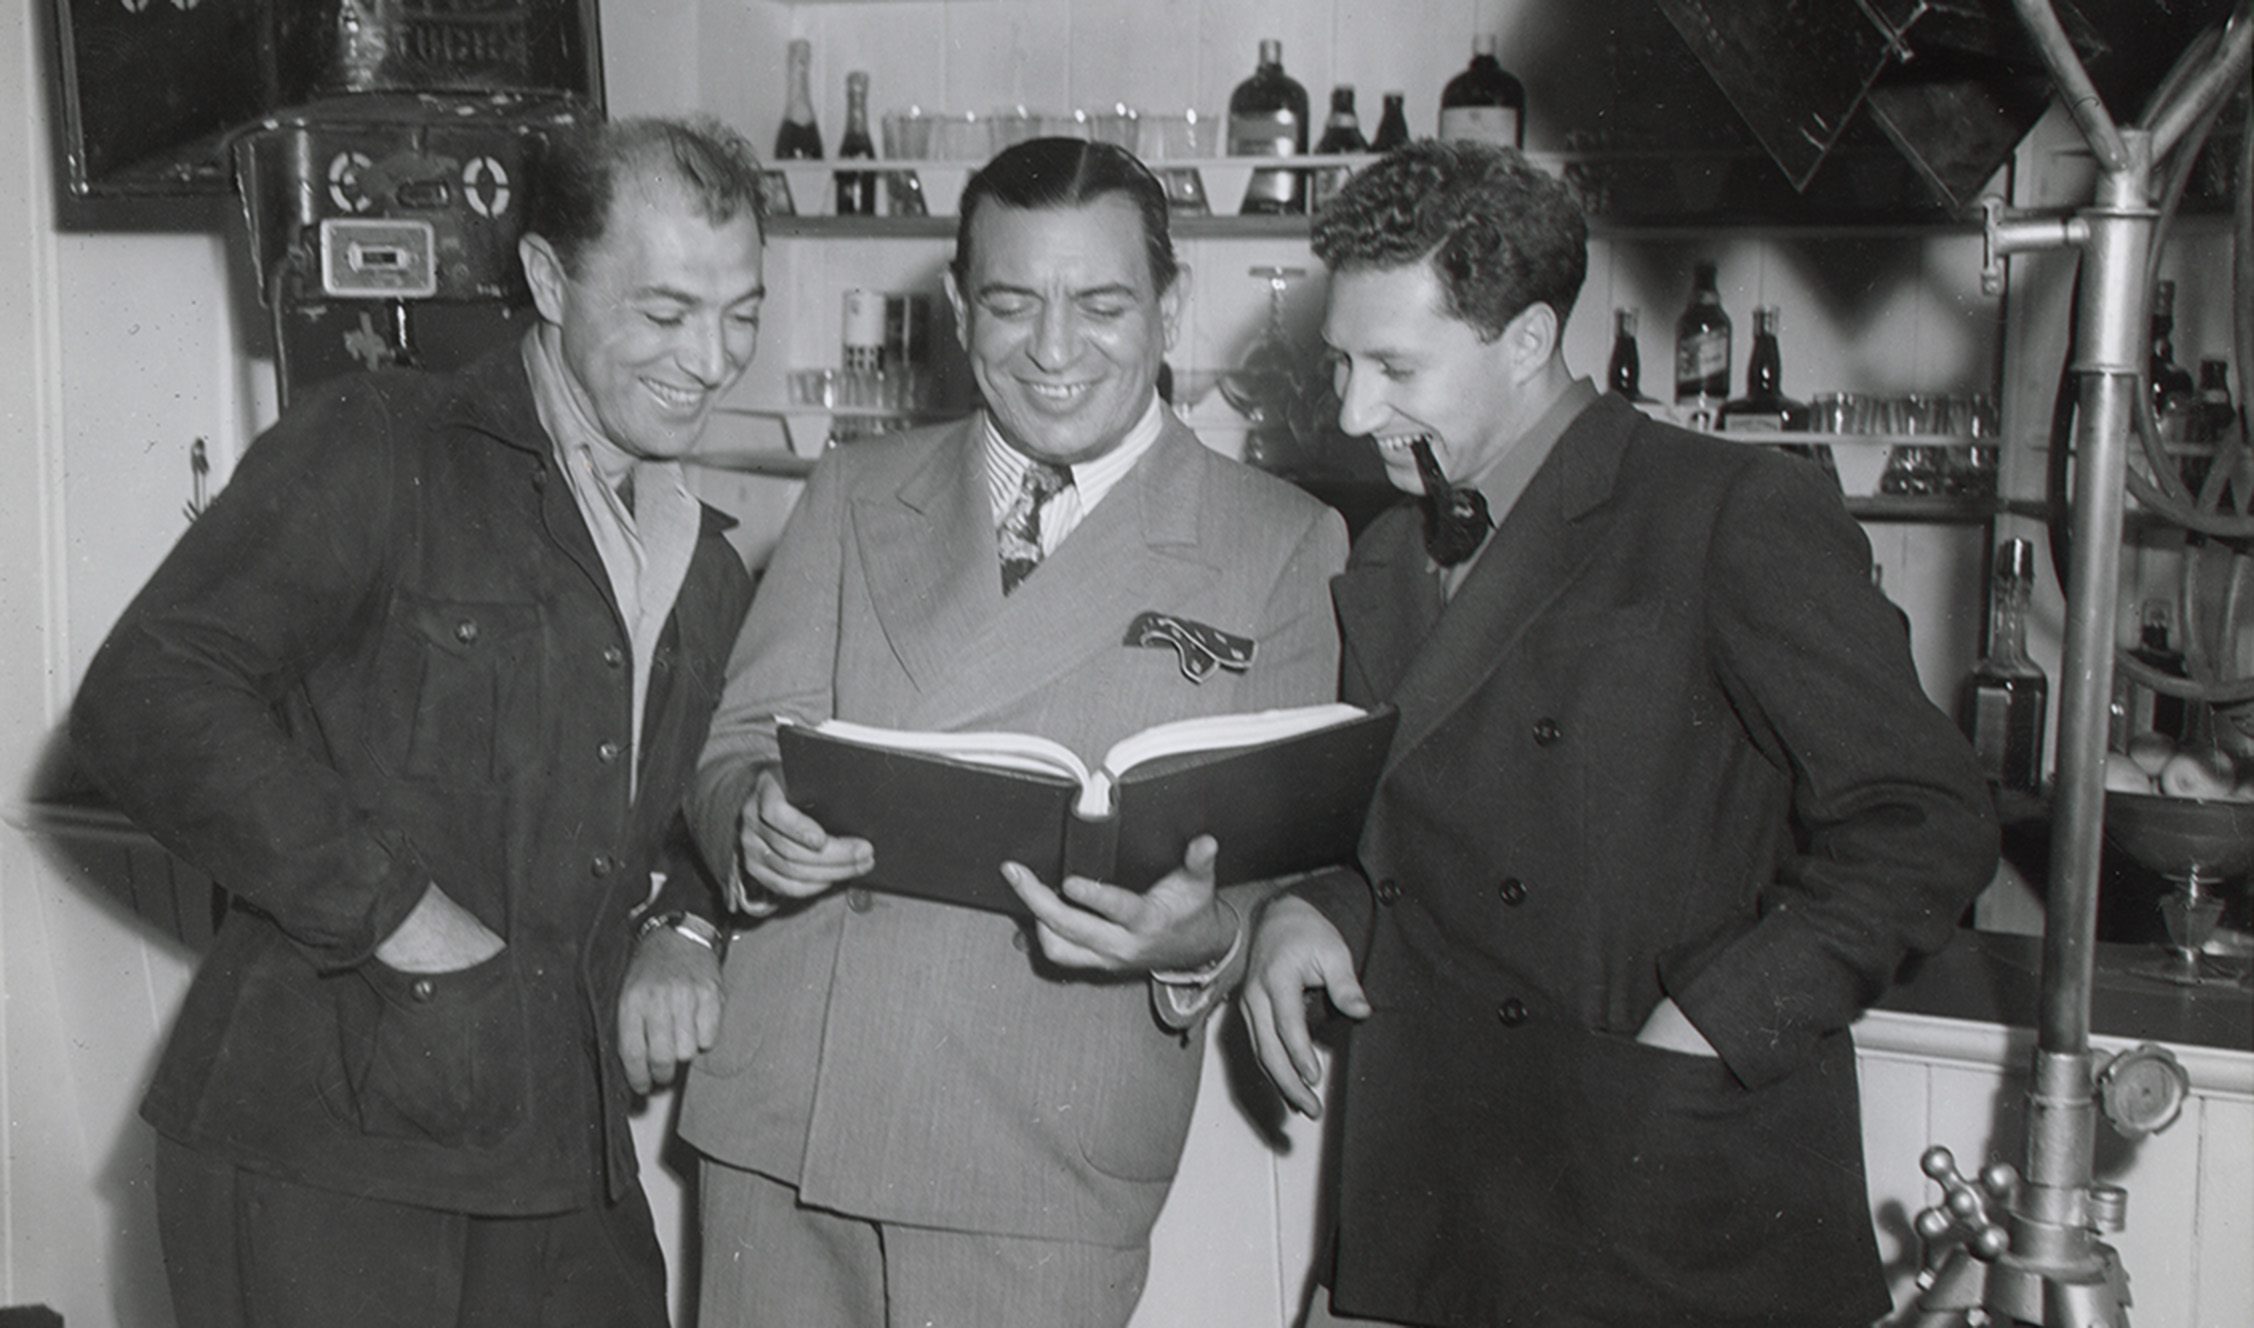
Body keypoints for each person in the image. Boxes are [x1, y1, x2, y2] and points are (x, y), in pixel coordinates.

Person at [1239, 140, 2000, 1328]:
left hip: (1661, 1186)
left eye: (1393, 366)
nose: (1350, 411)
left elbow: (1926, 818)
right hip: (1434, 1188)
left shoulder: (1726, 508)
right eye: (1341, 362)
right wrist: (1312, 906)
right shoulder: (1390, 549)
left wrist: (1711, 1022)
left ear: (1530, 341)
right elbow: (1407, 825)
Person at [68, 116, 769, 1328]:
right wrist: (397, 909)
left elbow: (679, 809)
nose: (710, 359)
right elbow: (147, 692)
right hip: (330, 1159)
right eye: (664, 315)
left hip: (560, 1152)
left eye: (742, 313)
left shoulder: (702, 562)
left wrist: (688, 929)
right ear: (548, 279)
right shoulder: (382, 443)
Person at [679, 136, 1348, 1328]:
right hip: (791, 1117)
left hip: (1038, 1148)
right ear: (955, 308)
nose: (1051, 349)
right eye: (1010, 302)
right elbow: (736, 743)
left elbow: (1280, 879)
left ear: (1169, 304)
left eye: (1099, 304)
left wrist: (1199, 938)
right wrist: (752, 820)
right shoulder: (851, 488)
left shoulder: (1280, 541)